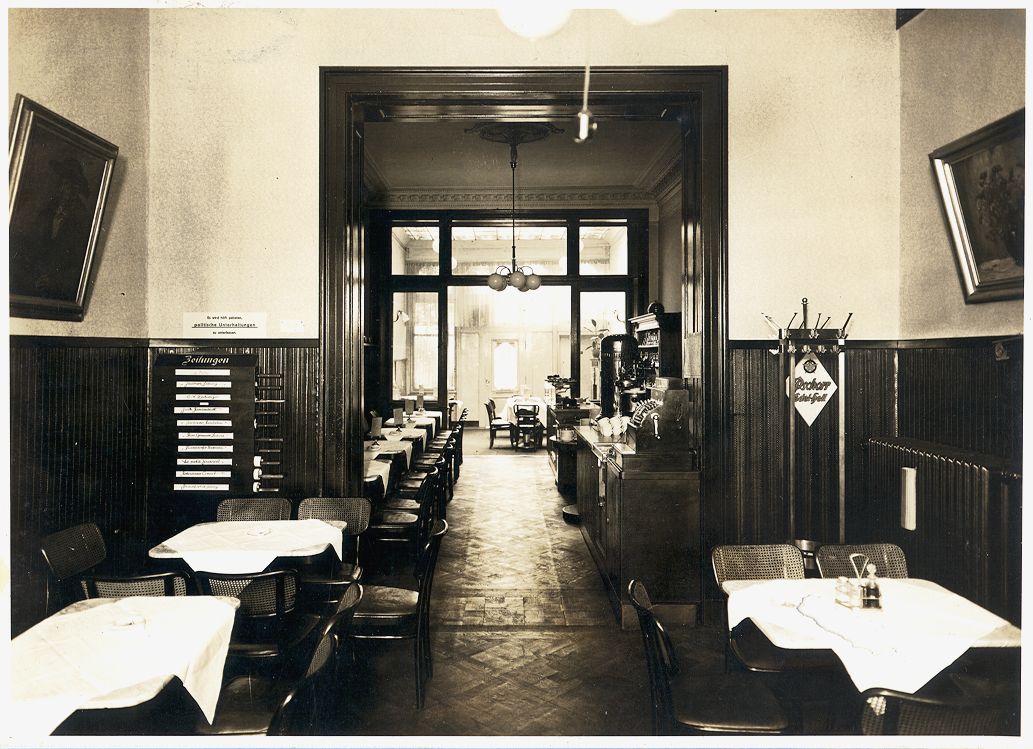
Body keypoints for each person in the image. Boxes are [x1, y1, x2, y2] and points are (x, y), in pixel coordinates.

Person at [10, 156, 92, 301]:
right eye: (66, 184)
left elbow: (80, 267)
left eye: (75, 187)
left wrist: (55, 281)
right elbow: (31, 249)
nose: (69, 191)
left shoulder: (83, 222)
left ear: (78, 190)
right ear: (60, 187)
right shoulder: (46, 214)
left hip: (59, 290)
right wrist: (34, 278)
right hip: (34, 281)